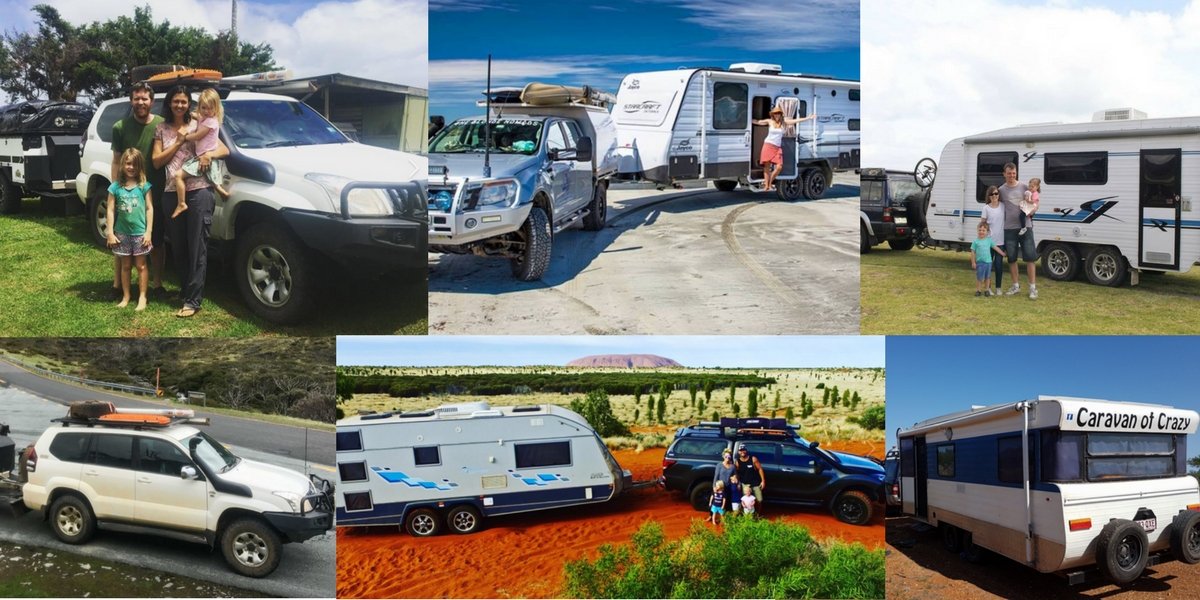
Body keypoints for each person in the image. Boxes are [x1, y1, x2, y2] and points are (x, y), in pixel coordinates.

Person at [152, 86, 230, 318]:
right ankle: (186, 291)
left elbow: (223, 147)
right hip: (170, 192)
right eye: (175, 101)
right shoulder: (161, 129)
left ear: (189, 104)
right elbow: (156, 162)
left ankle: (193, 300)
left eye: (184, 101)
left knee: (197, 246)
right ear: (169, 103)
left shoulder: (202, 122)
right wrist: (178, 142)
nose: (179, 105)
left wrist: (209, 154)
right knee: (178, 246)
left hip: (199, 192)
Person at [110, 82, 166, 299]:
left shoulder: (162, 125)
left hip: (156, 192)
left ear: (152, 101)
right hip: (127, 194)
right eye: (136, 98)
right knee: (120, 237)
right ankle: (116, 285)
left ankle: (157, 283)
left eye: (144, 98)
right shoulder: (120, 127)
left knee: (156, 240)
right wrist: (115, 189)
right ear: (131, 100)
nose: (140, 102)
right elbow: (116, 160)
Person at [105, 148, 154, 311]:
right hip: (121, 234)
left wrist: (148, 232)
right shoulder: (115, 187)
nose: (131, 167)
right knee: (125, 266)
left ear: (139, 166)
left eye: (134, 164)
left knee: (141, 266)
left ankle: (142, 297)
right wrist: (110, 232)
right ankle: (126, 296)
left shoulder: (144, 186)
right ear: (122, 165)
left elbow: (149, 208)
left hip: (140, 233)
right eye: (128, 163)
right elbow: (110, 210)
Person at [172, 88, 229, 218]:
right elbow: (200, 117)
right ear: (199, 107)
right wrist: (194, 115)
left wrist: (184, 138)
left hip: (204, 156)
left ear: (216, 108)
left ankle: (181, 203)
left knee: (178, 176)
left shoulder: (210, 122)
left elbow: (198, 136)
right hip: (204, 155)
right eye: (203, 108)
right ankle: (220, 189)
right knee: (210, 174)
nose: (206, 111)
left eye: (210, 108)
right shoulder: (206, 118)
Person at [752, 106, 816, 192]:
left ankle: (770, 182)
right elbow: (758, 122)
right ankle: (767, 185)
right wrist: (746, 118)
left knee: (779, 167)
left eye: (778, 113)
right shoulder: (770, 121)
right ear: (773, 115)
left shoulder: (784, 122)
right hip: (768, 145)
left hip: (777, 147)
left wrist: (808, 118)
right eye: (775, 113)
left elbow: (795, 121)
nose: (777, 115)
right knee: (766, 166)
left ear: (780, 114)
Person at [997, 163, 1037, 299]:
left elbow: (1035, 202)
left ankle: (1032, 288)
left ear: (1016, 173)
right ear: (1004, 174)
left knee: (1030, 258)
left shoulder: (1025, 187)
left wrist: (1032, 210)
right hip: (1009, 228)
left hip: (1025, 226)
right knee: (1012, 259)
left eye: (1013, 173)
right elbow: (998, 206)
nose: (1011, 175)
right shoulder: (1001, 190)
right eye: (1009, 173)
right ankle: (1015, 286)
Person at [980, 185, 1006, 295]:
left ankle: (998, 288)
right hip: (989, 242)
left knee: (999, 266)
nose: (994, 196)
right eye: (992, 194)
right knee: (988, 266)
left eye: (996, 193)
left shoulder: (1003, 206)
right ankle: (988, 288)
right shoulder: (986, 208)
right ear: (989, 196)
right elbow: (982, 224)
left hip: (1000, 242)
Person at [970, 221, 1005, 297]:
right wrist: (973, 262)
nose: (981, 232)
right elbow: (973, 252)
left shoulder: (989, 241)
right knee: (979, 277)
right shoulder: (975, 242)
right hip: (980, 263)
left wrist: (1002, 253)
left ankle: (986, 290)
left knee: (987, 277)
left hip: (988, 263)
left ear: (987, 232)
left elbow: (995, 247)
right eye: (980, 230)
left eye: (983, 230)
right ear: (977, 231)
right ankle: (978, 290)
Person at [734, 444, 765, 512]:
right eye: (740, 450)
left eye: (744, 450)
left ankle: (757, 514)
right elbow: (737, 474)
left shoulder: (753, 459)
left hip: (755, 483)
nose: (742, 452)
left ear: (746, 450)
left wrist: (763, 481)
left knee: (759, 500)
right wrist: (738, 482)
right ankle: (746, 515)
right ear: (738, 452)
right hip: (745, 484)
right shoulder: (737, 462)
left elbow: (760, 469)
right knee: (745, 501)